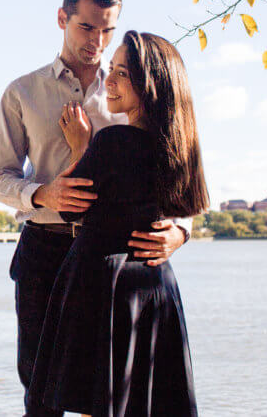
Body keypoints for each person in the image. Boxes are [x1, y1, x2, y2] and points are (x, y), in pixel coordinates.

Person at [0, 0, 193, 417]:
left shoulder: (133, 87)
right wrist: (43, 195)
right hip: (46, 254)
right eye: (87, 27)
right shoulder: (22, 93)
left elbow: (176, 167)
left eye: (107, 30)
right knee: (41, 395)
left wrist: (181, 230)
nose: (97, 41)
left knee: (106, 396)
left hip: (113, 264)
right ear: (62, 18)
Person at [28, 31, 208, 416]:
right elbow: (185, 205)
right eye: (112, 69)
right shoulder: (179, 146)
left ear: (150, 84)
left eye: (122, 73)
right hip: (156, 284)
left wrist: (82, 148)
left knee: (101, 402)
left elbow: (72, 208)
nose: (108, 81)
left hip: (106, 285)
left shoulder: (112, 142)